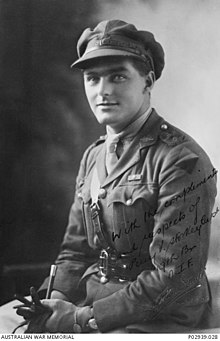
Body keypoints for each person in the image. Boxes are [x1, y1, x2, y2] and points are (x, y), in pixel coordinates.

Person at [0, 19, 217, 334]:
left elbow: (174, 280)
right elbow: (76, 249)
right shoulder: (94, 156)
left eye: (118, 76)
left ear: (148, 81)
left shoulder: (181, 160)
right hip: (92, 301)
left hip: (156, 320)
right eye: (92, 78)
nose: (103, 91)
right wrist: (54, 305)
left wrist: (79, 319)